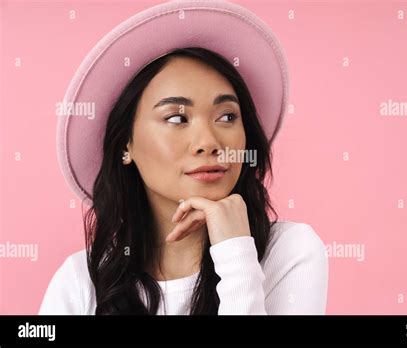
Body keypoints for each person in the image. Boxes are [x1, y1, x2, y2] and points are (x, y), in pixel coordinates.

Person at [39, 0, 328, 315]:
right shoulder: (80, 282)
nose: (208, 142)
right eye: (176, 118)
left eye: (227, 116)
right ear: (126, 145)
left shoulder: (290, 252)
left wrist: (236, 254)